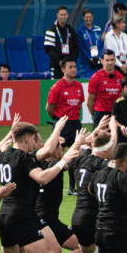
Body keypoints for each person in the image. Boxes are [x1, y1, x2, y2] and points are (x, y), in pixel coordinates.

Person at [0, 121, 79, 253]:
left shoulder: (3, 155)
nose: (35, 144)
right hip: (21, 215)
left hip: (3, 215)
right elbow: (42, 178)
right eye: (34, 139)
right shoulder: (24, 158)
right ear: (28, 138)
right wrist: (61, 161)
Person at [46, 57, 85, 193]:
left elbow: (79, 104)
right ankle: (52, 183)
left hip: (75, 123)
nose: (73, 69)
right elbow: (49, 107)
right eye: (70, 67)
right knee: (56, 154)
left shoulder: (79, 86)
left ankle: (72, 187)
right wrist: (57, 120)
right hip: (62, 124)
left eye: (74, 66)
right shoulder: (57, 86)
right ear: (63, 70)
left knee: (75, 154)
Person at [87, 50, 123, 129]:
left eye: (111, 60)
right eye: (107, 60)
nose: (110, 62)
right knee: (98, 140)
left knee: (115, 139)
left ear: (115, 61)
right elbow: (89, 101)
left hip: (115, 114)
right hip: (101, 114)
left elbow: (120, 97)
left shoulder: (120, 76)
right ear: (102, 61)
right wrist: (95, 115)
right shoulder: (95, 77)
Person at [45, 6, 79, 80]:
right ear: (57, 15)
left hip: (69, 66)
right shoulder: (51, 30)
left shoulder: (71, 30)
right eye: (61, 15)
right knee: (56, 87)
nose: (63, 17)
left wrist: (71, 61)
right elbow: (49, 49)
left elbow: (76, 48)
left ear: (67, 15)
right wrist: (60, 61)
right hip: (57, 66)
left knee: (69, 87)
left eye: (64, 15)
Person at [77, 9, 103, 78]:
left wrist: (100, 57)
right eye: (86, 17)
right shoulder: (80, 30)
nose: (88, 19)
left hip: (98, 61)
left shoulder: (97, 29)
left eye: (90, 17)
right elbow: (81, 47)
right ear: (83, 18)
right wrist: (90, 58)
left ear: (92, 17)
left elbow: (100, 45)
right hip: (86, 62)